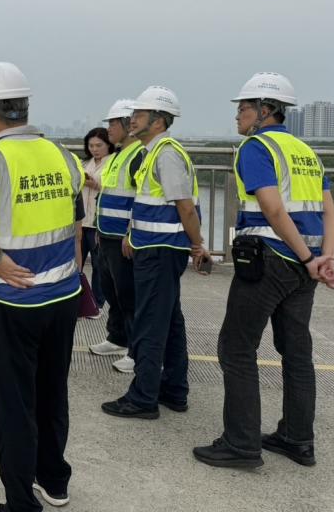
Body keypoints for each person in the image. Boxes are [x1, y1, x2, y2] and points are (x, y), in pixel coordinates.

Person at [0, 62, 85, 512]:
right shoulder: (63, 155)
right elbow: (75, 223)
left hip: (13, 303)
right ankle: (55, 481)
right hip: (63, 296)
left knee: (14, 407)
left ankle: (20, 504)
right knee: (51, 392)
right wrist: (72, 271)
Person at [193, 73, 334, 469]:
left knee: (236, 348)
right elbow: (329, 211)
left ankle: (241, 444)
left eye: (242, 108)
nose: (237, 116)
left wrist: (310, 260)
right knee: (296, 351)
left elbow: (273, 210)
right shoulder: (306, 152)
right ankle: (297, 438)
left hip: (269, 260)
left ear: (264, 110)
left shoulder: (257, 148)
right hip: (302, 268)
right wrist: (322, 258)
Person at [102, 85, 210, 420]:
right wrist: (133, 234)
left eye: (140, 114)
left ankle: (143, 397)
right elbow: (149, 203)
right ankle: (173, 390)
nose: (133, 119)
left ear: (159, 121)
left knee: (150, 322)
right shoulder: (152, 152)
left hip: (162, 253)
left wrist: (197, 246)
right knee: (170, 320)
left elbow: (185, 207)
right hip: (152, 248)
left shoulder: (166, 153)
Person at [89, 99, 142, 374]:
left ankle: (136, 349)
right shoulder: (119, 154)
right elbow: (106, 195)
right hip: (107, 235)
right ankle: (117, 337)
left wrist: (131, 234)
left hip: (123, 238)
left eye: (112, 123)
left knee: (129, 295)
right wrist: (98, 228)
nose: (108, 128)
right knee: (113, 291)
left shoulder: (138, 155)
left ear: (127, 125)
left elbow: (141, 199)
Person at [78, 127, 115, 318]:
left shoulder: (114, 163)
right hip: (81, 221)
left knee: (99, 266)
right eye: (91, 145)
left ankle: (97, 304)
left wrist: (95, 183)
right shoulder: (85, 163)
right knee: (77, 262)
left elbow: (110, 186)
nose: (95, 149)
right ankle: (78, 301)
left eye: (99, 145)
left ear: (108, 145)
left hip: (98, 222)